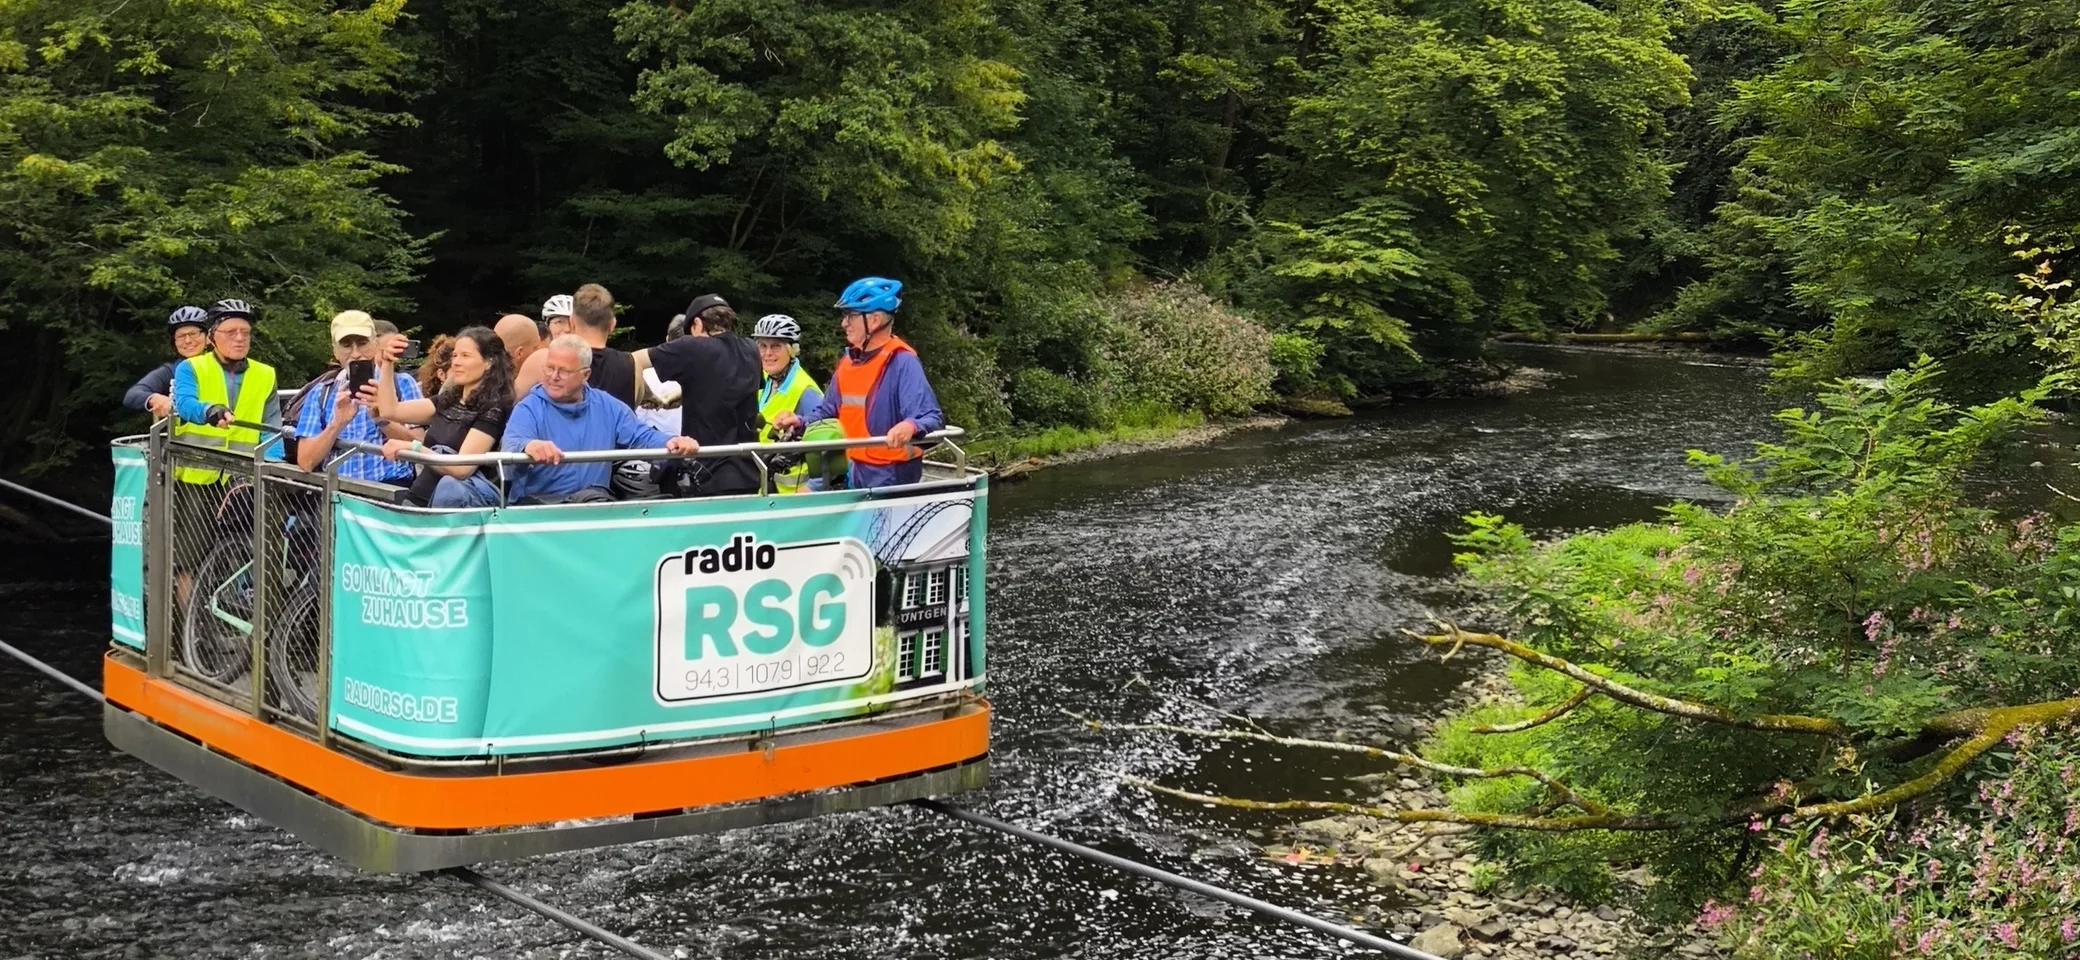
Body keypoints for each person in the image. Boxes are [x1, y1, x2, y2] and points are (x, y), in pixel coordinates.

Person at [773, 278, 945, 488]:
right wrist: (799, 422)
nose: (843, 323)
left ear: (873, 320)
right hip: (852, 469)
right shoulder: (848, 362)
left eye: (850, 316)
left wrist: (910, 425)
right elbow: (827, 412)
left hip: (890, 476)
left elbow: (931, 416)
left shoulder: (902, 362)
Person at [168, 299, 286, 605]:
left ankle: (233, 624)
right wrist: (208, 410)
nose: (239, 338)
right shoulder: (191, 366)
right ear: (212, 336)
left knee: (243, 554)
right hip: (197, 477)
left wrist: (274, 468)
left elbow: (272, 427)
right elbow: (184, 403)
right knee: (191, 560)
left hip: (242, 479)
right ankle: (188, 633)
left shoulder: (265, 374)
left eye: (245, 332)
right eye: (231, 331)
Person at [502, 335, 698, 504]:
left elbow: (642, 436)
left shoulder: (607, 405)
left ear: (585, 375)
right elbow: (511, 446)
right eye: (549, 368)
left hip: (594, 507)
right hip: (539, 509)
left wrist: (671, 442)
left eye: (563, 371)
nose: (554, 376)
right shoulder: (528, 408)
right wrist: (528, 446)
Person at [367, 326, 516, 508]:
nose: (456, 362)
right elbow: (391, 411)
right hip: (421, 499)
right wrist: (387, 364)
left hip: (456, 509)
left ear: (489, 362)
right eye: (455, 356)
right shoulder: (449, 399)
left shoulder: (494, 408)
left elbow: (461, 468)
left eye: (465, 356)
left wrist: (414, 447)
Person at [631, 293, 761, 496]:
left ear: (697, 324)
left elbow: (632, 362)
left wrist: (646, 395)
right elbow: (723, 387)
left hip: (707, 471)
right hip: (748, 470)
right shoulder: (751, 349)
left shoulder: (692, 346)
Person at [294, 310, 423, 486]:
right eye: (346, 345)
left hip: (390, 488)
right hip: (337, 493)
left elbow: (420, 447)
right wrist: (336, 424)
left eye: (362, 343)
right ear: (335, 350)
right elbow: (306, 461)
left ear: (376, 344)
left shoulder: (402, 384)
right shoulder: (320, 393)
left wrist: (382, 418)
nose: (355, 354)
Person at [517, 284, 636, 406]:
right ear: (612, 325)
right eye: (558, 322)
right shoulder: (633, 365)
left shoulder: (543, 358)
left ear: (572, 322)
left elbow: (508, 403)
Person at [749, 314, 825, 493]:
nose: (767, 353)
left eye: (776, 346)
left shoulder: (806, 391)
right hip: (765, 486)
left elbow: (826, 444)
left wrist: (813, 488)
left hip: (794, 493)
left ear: (792, 350)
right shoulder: (763, 379)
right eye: (762, 346)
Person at [125, 306, 210, 417]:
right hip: (187, 434)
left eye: (193, 334)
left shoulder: (225, 364)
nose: (188, 341)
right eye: (180, 336)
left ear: (208, 337)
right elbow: (132, 395)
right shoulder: (171, 371)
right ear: (174, 342)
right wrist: (154, 399)